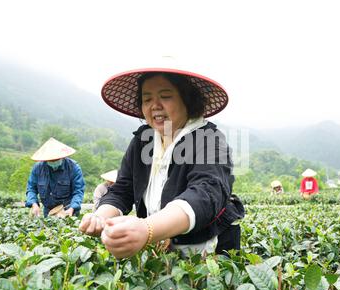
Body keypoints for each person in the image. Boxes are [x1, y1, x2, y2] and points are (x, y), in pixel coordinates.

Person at [79, 62, 245, 259]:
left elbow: (206, 193)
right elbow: (123, 188)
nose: (155, 106)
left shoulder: (209, 140)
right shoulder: (143, 140)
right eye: (147, 99)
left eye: (165, 96)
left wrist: (148, 228)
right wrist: (101, 217)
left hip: (206, 254)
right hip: (159, 253)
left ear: (187, 100)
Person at [25, 137, 85, 217]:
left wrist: (72, 208)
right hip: (48, 211)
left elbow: (78, 191)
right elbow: (31, 188)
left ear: (62, 157)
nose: (53, 161)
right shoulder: (38, 168)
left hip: (68, 210)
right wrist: (34, 204)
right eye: (50, 160)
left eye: (56, 159)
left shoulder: (73, 168)